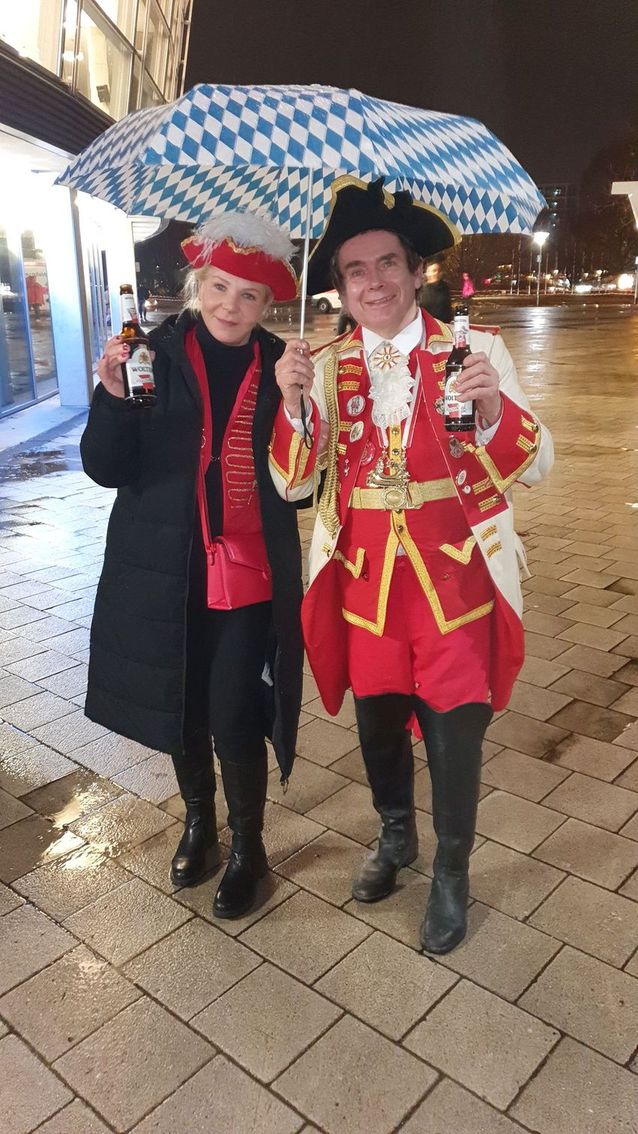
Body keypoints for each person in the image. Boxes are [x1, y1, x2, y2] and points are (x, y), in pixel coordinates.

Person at [270, 177, 553, 954]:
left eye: (387, 263)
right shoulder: (323, 367)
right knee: (379, 728)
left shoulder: (477, 351)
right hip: (367, 587)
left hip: (455, 585)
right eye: (355, 270)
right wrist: (292, 407)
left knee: (456, 734)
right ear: (339, 286)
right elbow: (292, 485)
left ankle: (452, 873)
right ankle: (397, 836)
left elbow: (539, 464)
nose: (373, 282)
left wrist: (494, 410)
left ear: (416, 269)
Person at [81, 213, 305, 920]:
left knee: (233, 709)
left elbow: (305, 488)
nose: (229, 305)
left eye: (248, 294)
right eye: (218, 287)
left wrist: (298, 404)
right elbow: (106, 467)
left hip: (250, 571)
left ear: (266, 304)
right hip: (167, 565)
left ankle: (249, 848)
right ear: (196, 285)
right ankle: (200, 823)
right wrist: (111, 399)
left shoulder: (283, 364)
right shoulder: (149, 354)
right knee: (181, 704)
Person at [419, 257, 452, 322]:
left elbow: (447, 311)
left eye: (436, 271)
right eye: (432, 271)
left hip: (442, 324)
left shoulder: (444, 288)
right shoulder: (420, 290)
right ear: (426, 273)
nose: (435, 273)